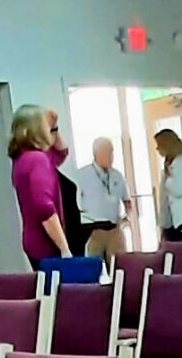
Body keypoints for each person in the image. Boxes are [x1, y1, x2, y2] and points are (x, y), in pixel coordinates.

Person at [8, 101, 70, 267]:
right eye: (46, 125)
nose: (48, 129)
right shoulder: (37, 159)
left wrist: (55, 127)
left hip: (33, 241)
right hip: (45, 244)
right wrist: (64, 249)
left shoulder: (23, 158)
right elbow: (44, 208)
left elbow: (61, 153)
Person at [74, 137, 132, 261]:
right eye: (108, 152)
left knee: (119, 265)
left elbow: (127, 200)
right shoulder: (82, 175)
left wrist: (127, 217)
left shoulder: (117, 175)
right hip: (93, 231)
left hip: (114, 229)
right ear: (97, 154)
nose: (112, 156)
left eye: (112, 152)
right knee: (93, 267)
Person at [153, 127, 182, 241]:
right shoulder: (169, 164)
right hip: (171, 223)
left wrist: (167, 177)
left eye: (159, 145)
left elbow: (178, 189)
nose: (157, 148)